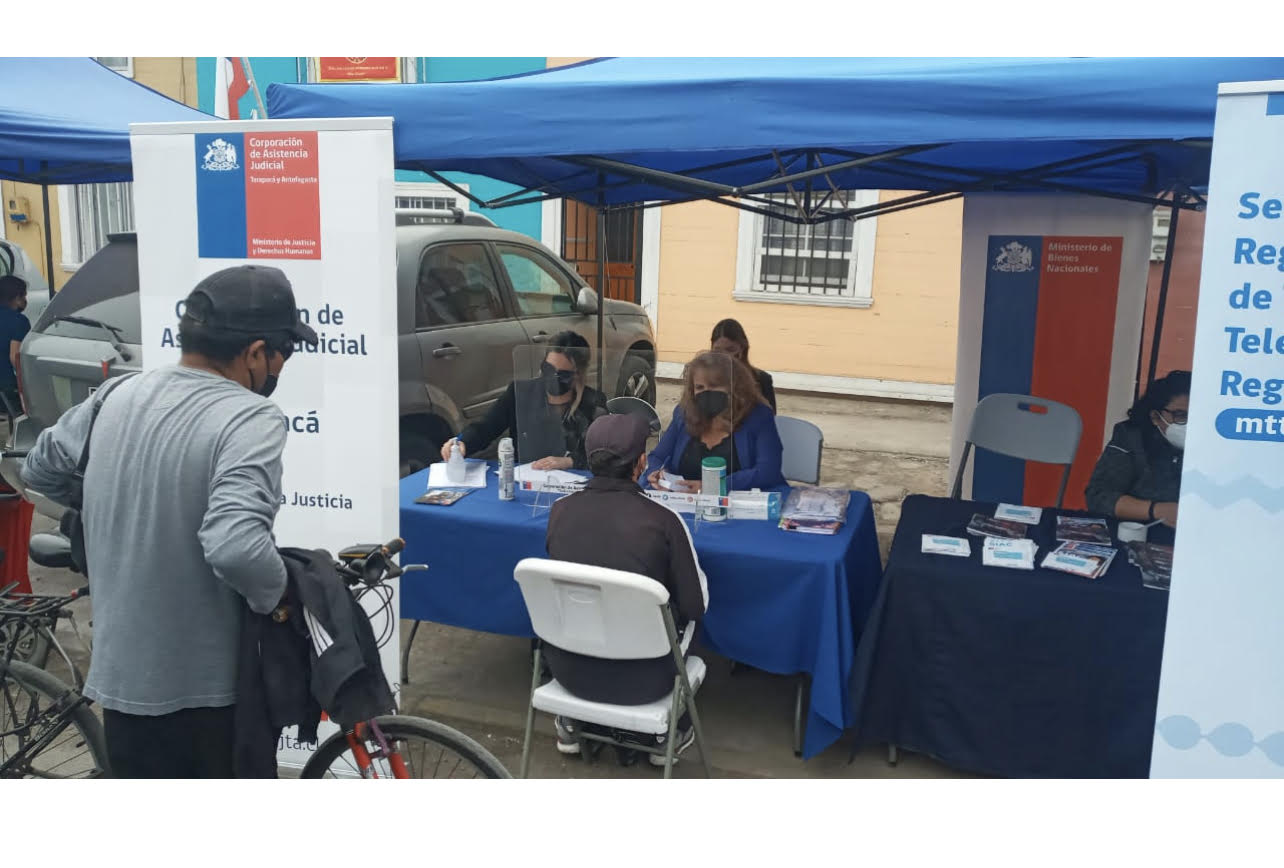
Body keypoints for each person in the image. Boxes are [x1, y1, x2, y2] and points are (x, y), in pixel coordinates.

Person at [21, 265, 317, 778]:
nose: (281, 368)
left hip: (121, 684)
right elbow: (236, 545)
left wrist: (102, 505)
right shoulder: (249, 416)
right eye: (283, 353)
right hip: (208, 696)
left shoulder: (116, 396)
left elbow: (39, 469)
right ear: (253, 353)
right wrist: (281, 600)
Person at [545, 413, 708, 766]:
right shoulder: (664, 520)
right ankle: (670, 730)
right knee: (689, 617)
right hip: (646, 681)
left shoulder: (558, 512)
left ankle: (573, 720)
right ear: (641, 463)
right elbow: (695, 607)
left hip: (569, 673)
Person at [440, 331, 607, 470]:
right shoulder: (520, 393)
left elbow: (603, 452)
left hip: (572, 486)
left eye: (563, 374)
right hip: (524, 479)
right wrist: (462, 443)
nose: (552, 378)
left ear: (578, 374)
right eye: (548, 369)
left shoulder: (592, 403)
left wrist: (570, 461)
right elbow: (486, 427)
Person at [645, 351, 784, 492]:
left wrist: (711, 487)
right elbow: (658, 457)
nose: (707, 393)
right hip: (684, 502)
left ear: (734, 387)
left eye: (714, 386)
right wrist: (657, 474)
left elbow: (768, 471)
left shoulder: (758, 416)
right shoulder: (683, 414)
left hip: (741, 505)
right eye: (700, 387)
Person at [1084, 370, 1191, 529]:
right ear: (1155, 417)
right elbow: (1099, 496)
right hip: (1137, 528)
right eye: (1180, 415)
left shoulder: (1220, 443)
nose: (1191, 422)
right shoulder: (1131, 436)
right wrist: (1156, 510)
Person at [710, 318, 776, 413]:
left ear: (742, 348)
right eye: (718, 351)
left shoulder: (762, 379)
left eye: (730, 349)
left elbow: (771, 416)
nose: (724, 356)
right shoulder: (702, 378)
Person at [0, 274, 31, 417]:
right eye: (24, 296)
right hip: (6, 391)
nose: (26, 300)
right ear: (17, 298)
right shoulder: (19, 321)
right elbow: (15, 357)